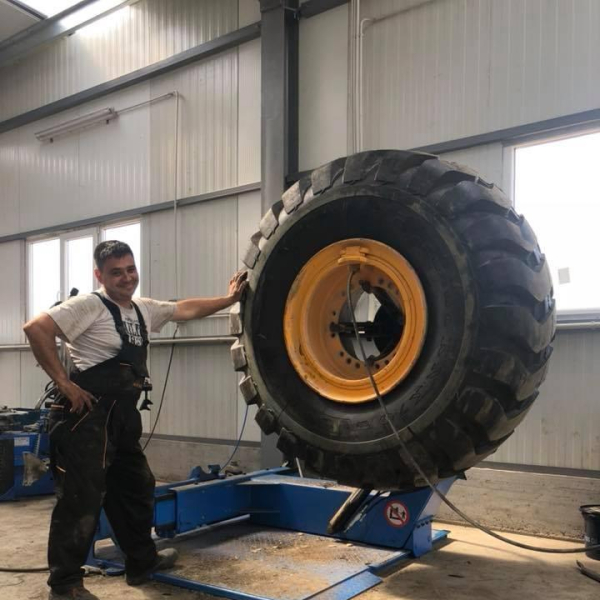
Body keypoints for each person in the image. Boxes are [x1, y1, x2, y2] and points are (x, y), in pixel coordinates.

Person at [23, 240, 248, 600]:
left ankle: (141, 562)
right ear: (99, 275)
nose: (127, 278)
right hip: (86, 419)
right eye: (116, 272)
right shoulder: (88, 306)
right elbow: (36, 328)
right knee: (81, 499)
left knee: (136, 487)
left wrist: (229, 299)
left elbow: (185, 309)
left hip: (121, 417)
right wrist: (64, 383)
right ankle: (64, 585)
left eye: (130, 269)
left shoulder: (142, 309)